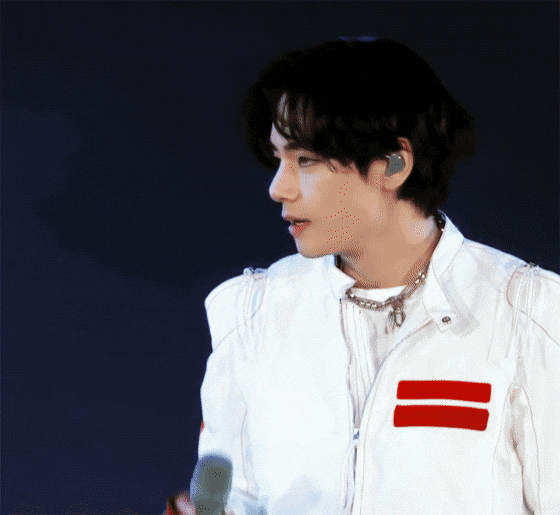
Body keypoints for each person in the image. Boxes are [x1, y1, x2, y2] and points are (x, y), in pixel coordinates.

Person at [167, 37, 560, 515]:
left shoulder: (529, 315)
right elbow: (223, 495)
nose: (277, 188)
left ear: (393, 164)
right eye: (278, 159)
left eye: (305, 161)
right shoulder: (252, 314)